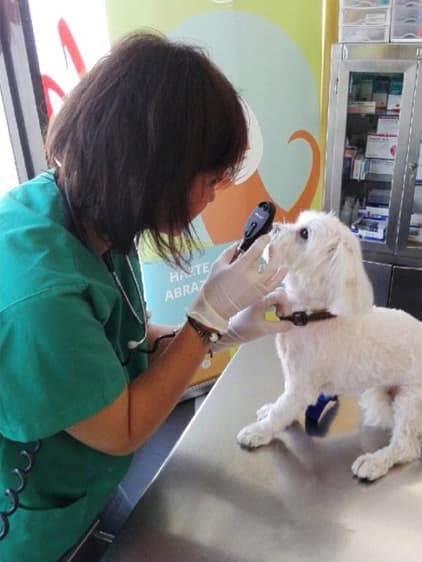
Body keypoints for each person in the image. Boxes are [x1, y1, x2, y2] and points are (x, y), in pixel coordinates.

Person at [0, 31, 290, 561]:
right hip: (37, 529)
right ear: (152, 167)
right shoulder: (41, 297)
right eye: (209, 178)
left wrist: (224, 330)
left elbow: (126, 334)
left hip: (88, 490)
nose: (213, 194)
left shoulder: (89, 213)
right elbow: (124, 428)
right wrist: (205, 320)